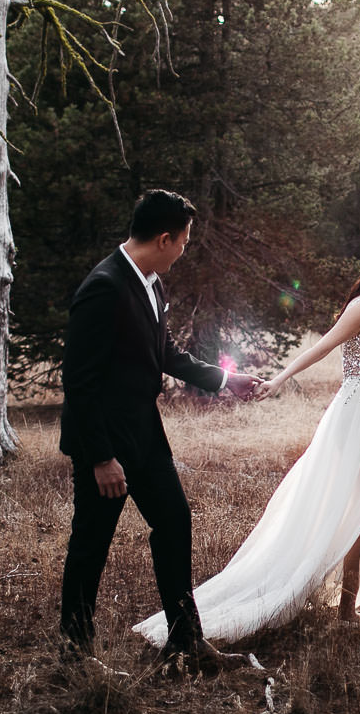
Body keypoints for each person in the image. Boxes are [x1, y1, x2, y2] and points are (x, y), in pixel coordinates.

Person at [133, 240, 360, 646]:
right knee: (352, 507)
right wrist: (279, 380)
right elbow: (321, 347)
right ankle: (334, 604)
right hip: (359, 416)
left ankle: (347, 609)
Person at [58, 189, 264, 674]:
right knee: (91, 543)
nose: (185, 250)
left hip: (145, 434)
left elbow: (166, 354)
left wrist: (224, 379)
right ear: (165, 238)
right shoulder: (103, 286)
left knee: (173, 521)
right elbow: (78, 383)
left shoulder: (151, 282)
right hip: (104, 441)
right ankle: (74, 656)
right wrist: (101, 457)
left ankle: (187, 643)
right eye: (185, 242)